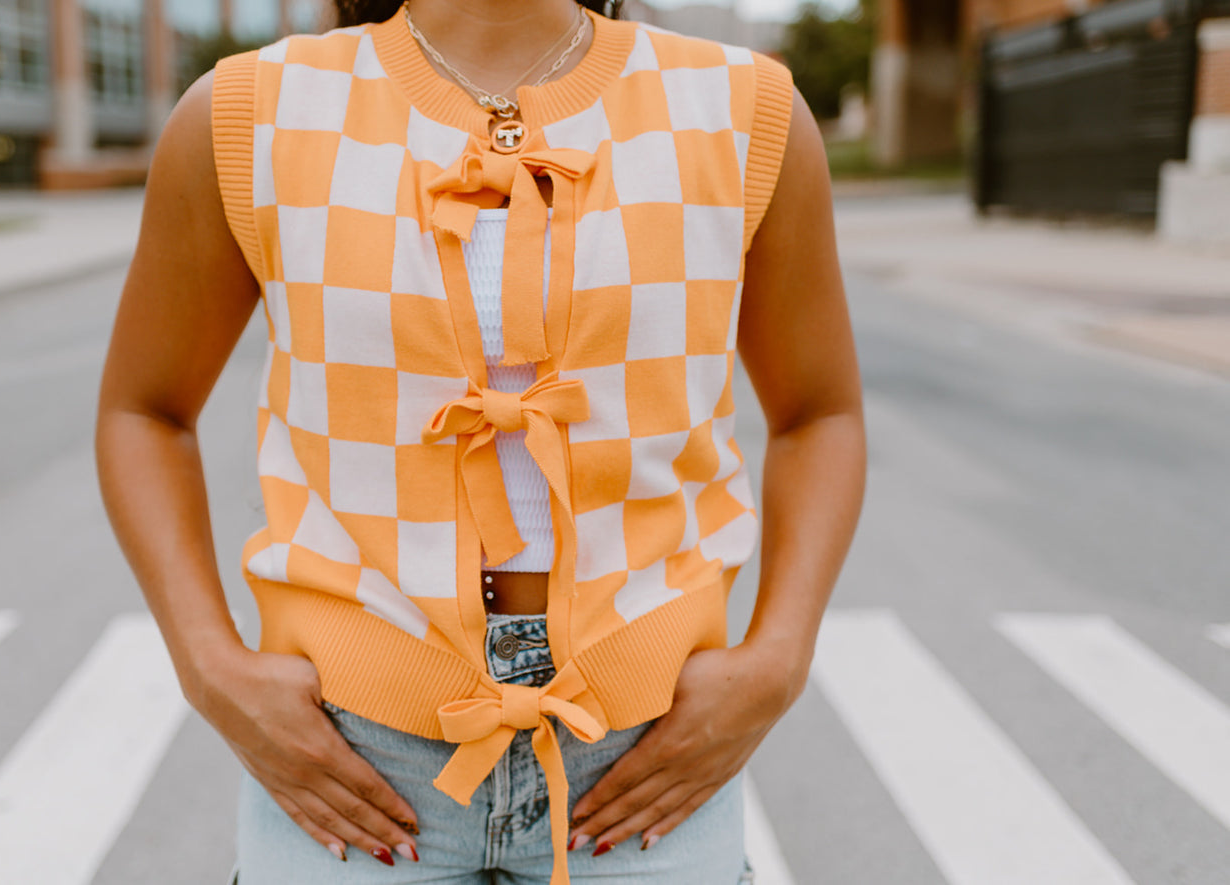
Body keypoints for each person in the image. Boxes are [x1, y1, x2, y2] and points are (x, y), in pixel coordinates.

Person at [95, 0, 866, 882]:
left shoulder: (742, 109)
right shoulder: (249, 111)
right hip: (349, 772)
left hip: (649, 771)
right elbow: (143, 411)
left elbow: (819, 414)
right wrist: (208, 665)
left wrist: (778, 658)